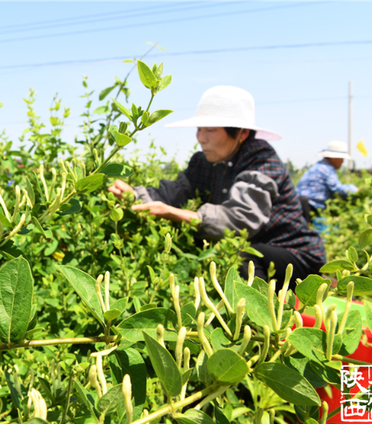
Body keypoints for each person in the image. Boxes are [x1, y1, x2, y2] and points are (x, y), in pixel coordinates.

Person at [108, 85, 326, 288]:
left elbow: (239, 221)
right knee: (203, 243)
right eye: (199, 129)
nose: (201, 138)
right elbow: (174, 193)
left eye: (210, 130)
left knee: (243, 256)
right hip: (250, 249)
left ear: (242, 133)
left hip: (291, 255)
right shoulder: (203, 162)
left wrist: (175, 214)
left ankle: (257, 323)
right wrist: (134, 194)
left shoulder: (261, 160)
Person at [296, 141, 359, 214]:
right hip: (308, 207)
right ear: (335, 158)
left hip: (304, 205)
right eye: (342, 158)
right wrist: (356, 190)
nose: (343, 161)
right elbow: (338, 189)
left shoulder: (321, 166)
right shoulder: (325, 169)